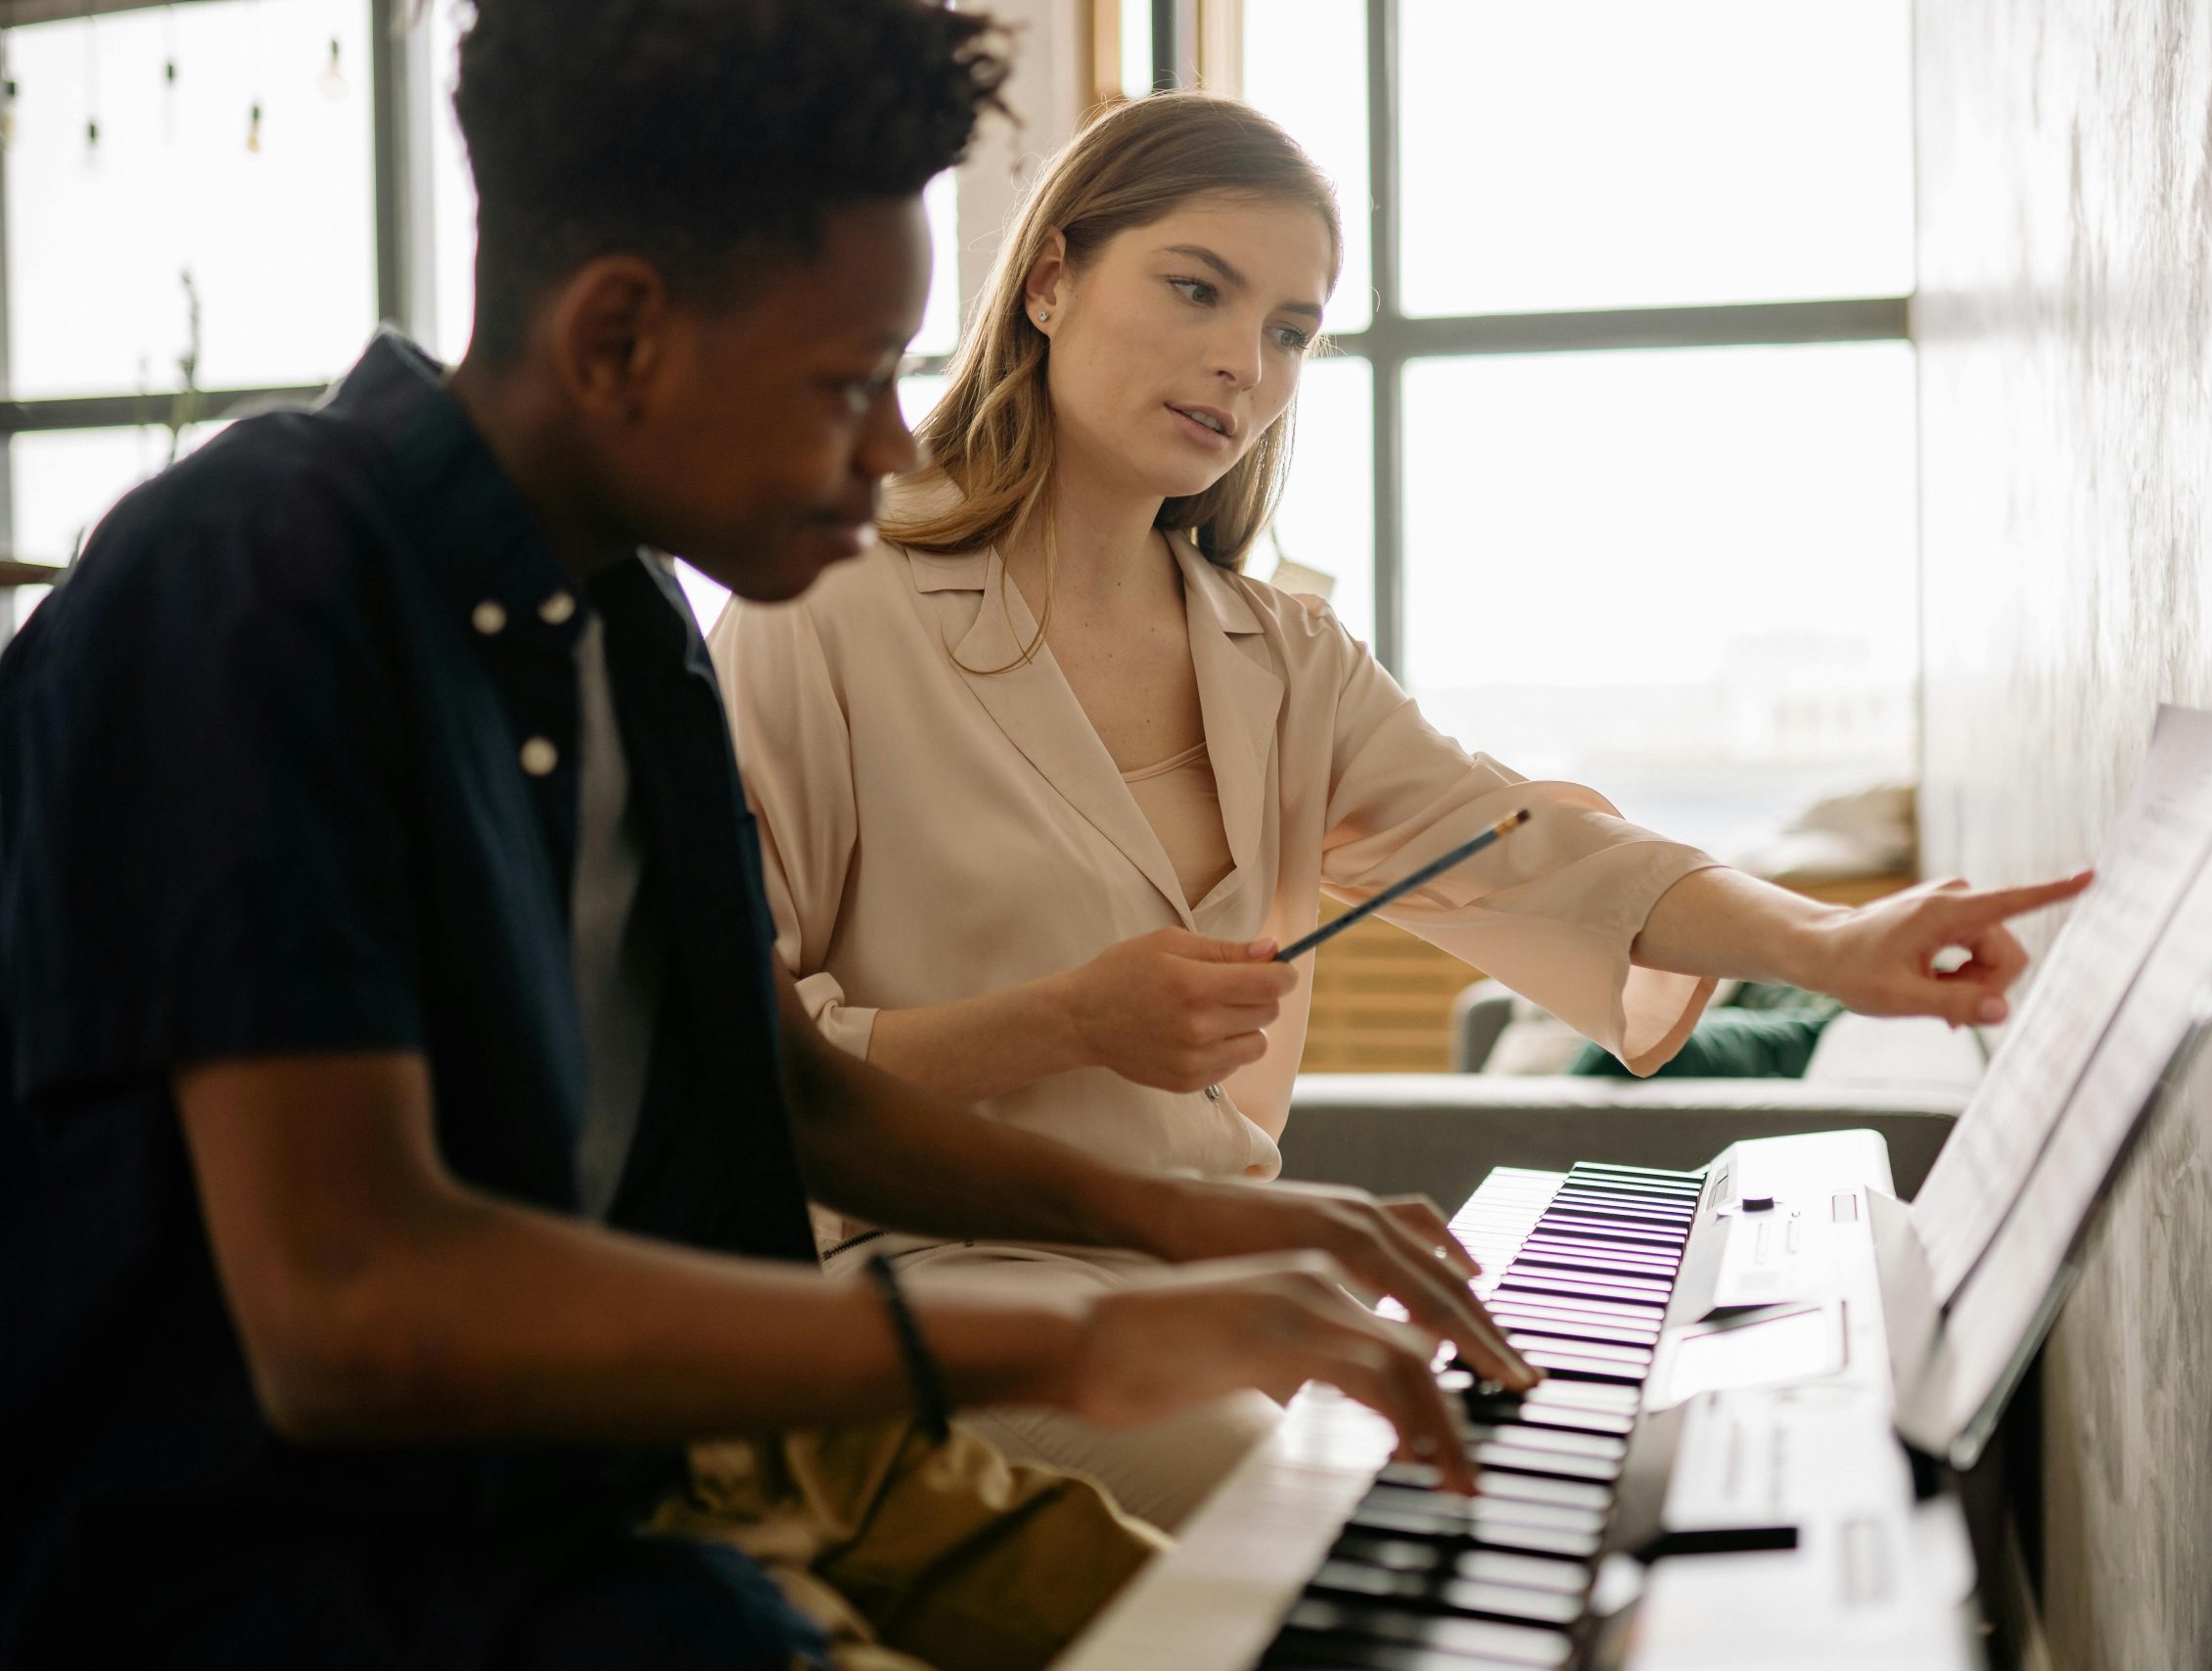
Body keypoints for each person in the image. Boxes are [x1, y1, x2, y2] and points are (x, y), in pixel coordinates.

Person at [0, 10, 1531, 1668]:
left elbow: (778, 1084)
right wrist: (1077, 1340)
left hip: (674, 1461)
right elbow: (354, 1314)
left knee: (1354, 1621)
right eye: (850, 381)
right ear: (619, 337)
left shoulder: (630, 613)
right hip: (324, 1558)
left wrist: (1190, 1225)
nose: (891, 448)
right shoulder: (257, 576)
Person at [711, 91, 2094, 1529]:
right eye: (1196, 289)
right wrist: (1067, 1022)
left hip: (1226, 1287)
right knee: (1345, 1520)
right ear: (1050, 279)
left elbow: (1535, 852)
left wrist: (1832, 942)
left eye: (1291, 330)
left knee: (1536, 1482)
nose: (1240, 363)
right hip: (932, 1291)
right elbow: (746, 1072)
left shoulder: (1286, 657)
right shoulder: (828, 607)